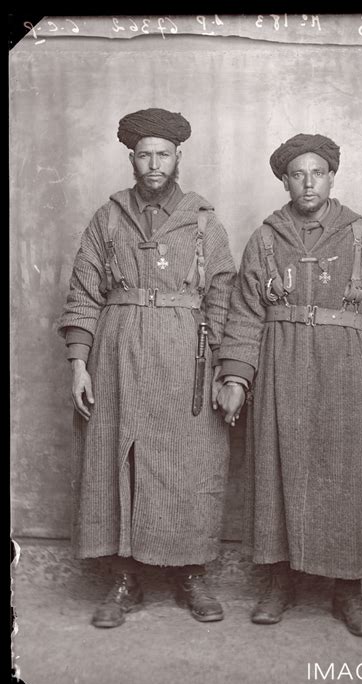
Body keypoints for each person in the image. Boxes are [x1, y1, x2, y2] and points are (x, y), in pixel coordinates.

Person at [216, 132, 362, 636]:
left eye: (317, 173)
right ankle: (279, 581)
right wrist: (236, 375)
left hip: (345, 371)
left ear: (331, 177)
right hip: (280, 366)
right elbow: (243, 313)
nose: (308, 183)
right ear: (285, 180)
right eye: (298, 174)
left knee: (345, 475)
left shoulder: (359, 236)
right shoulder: (265, 237)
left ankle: (348, 591)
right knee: (277, 470)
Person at [57, 108, 236, 628]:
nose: (153, 164)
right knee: (120, 459)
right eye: (144, 155)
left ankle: (190, 575)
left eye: (163, 154)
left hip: (188, 357)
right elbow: (83, 293)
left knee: (190, 462)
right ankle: (124, 578)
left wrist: (227, 370)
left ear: (178, 157)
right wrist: (78, 364)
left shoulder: (205, 221)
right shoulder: (107, 218)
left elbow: (225, 297)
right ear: (131, 159)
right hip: (116, 354)